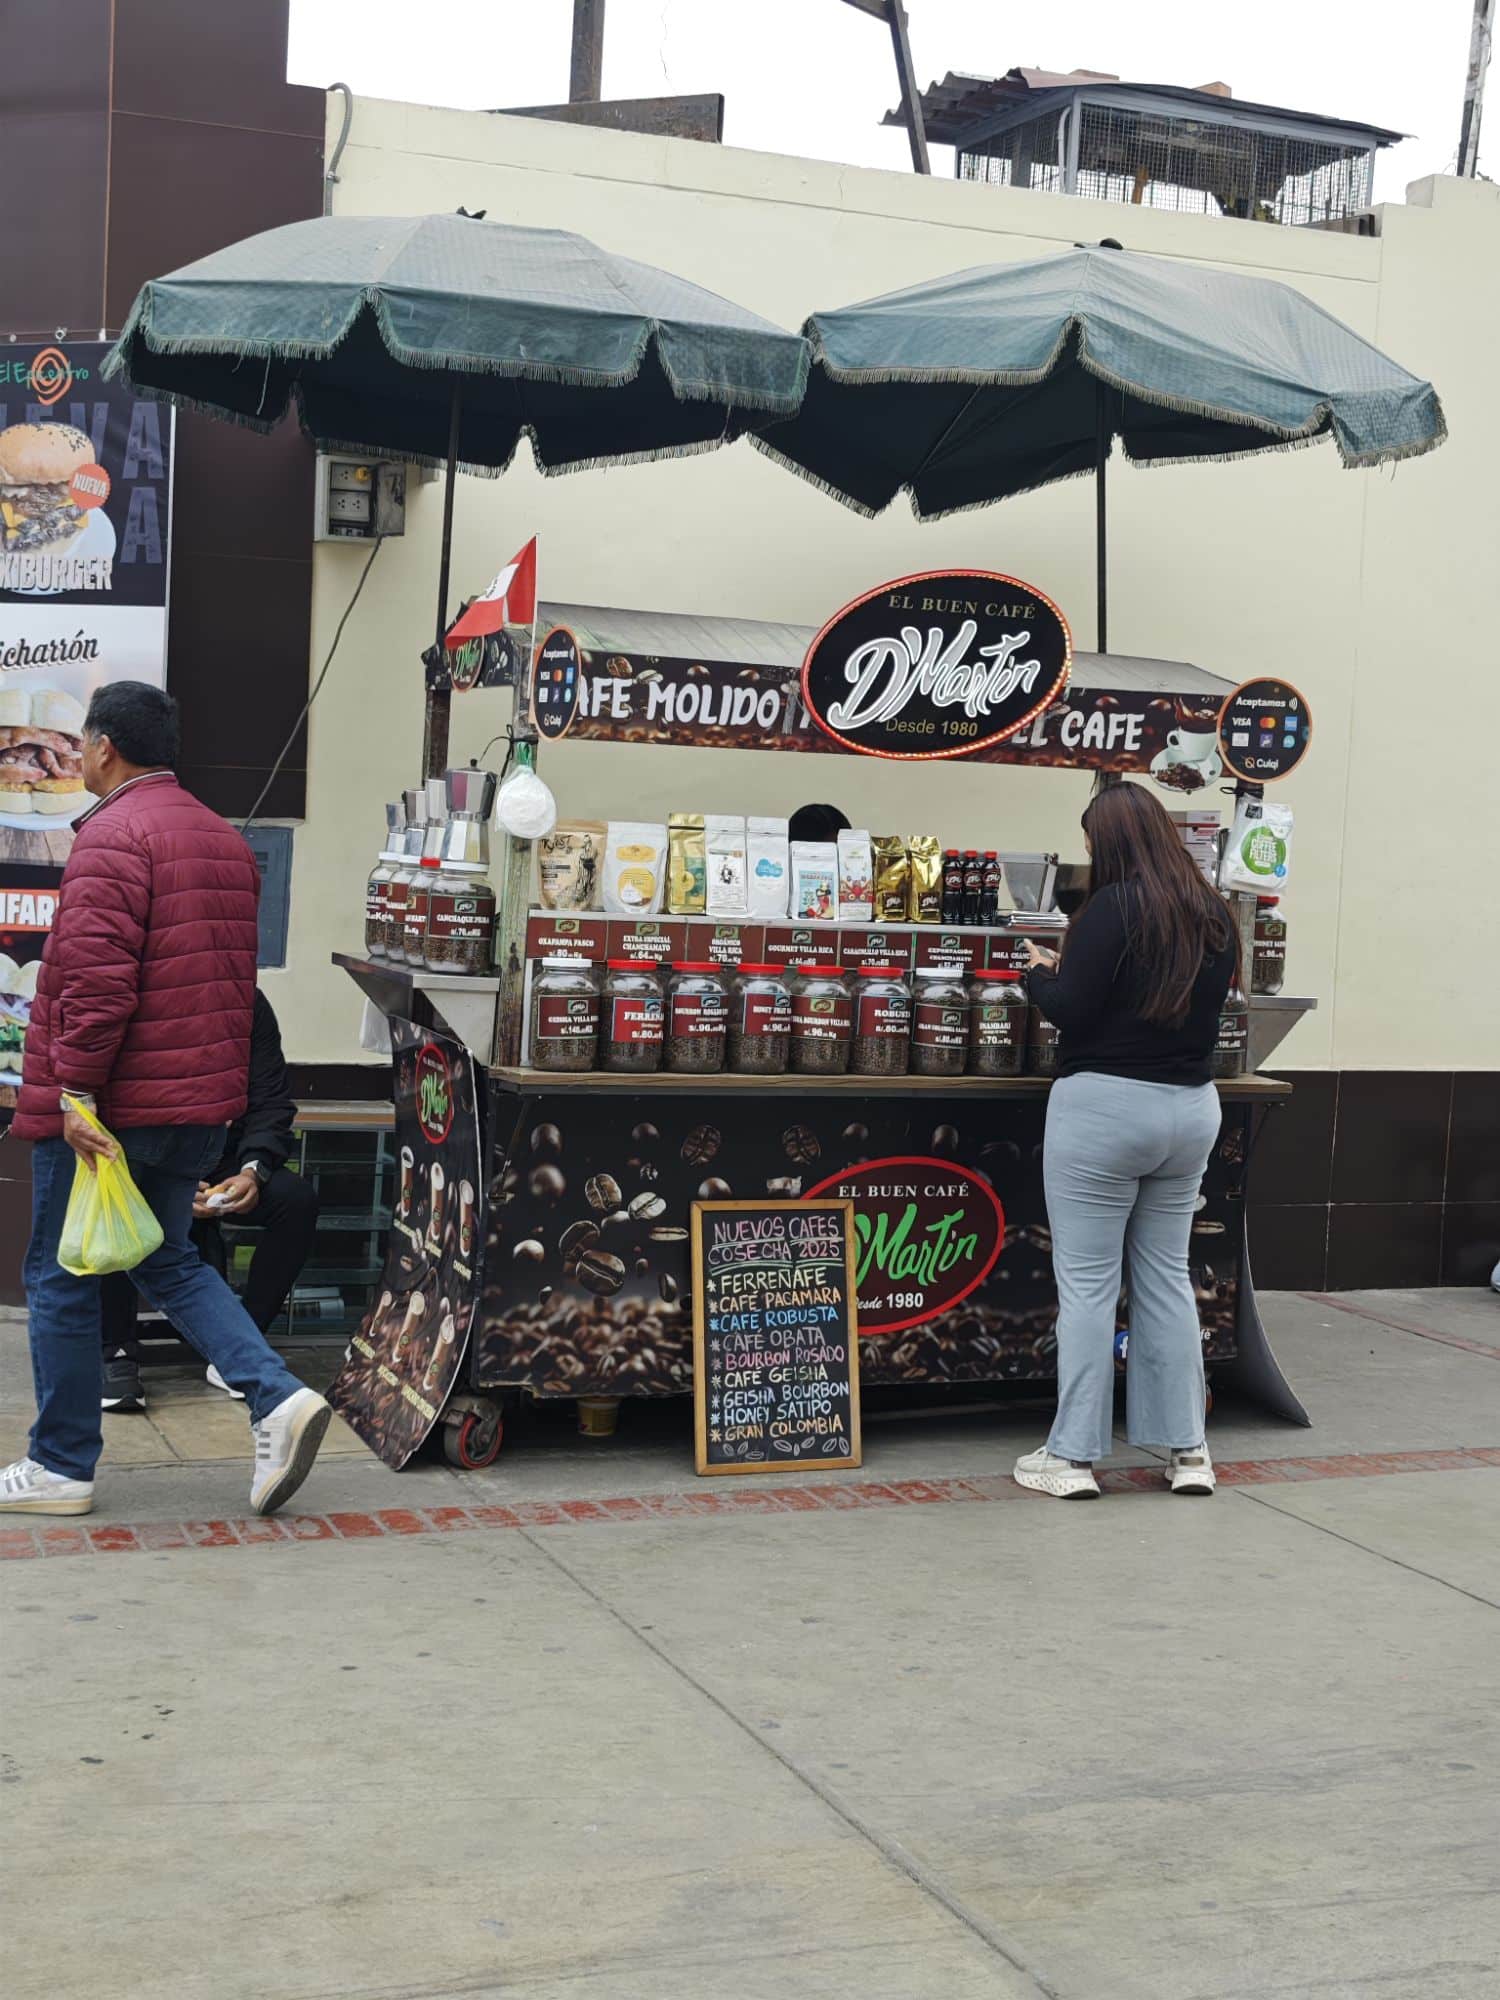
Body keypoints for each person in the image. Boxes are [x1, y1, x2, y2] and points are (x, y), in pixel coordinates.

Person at [0, 682, 330, 1519]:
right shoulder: (220, 840)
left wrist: (73, 1092)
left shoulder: (114, 835)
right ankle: (276, 1397)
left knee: (62, 1273)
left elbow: (99, 986)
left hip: (116, 1103)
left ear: (105, 748)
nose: (77, 757)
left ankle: (59, 1465)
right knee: (164, 1256)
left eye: (81, 744)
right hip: (194, 1104)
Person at [1013, 781, 1236, 1502]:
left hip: (1106, 1109)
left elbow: (1075, 1012)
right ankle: (1190, 1454)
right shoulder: (1214, 915)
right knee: (1167, 1280)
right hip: (1192, 1109)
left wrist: (1035, 975)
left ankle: (1072, 1459)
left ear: (1106, 843)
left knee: (1088, 1287)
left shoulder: (1111, 907)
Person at [100, 989, 318, 1413]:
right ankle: (115, 1352)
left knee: (296, 1201)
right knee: (113, 1206)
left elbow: (271, 1100)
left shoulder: (247, 1004)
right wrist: (182, 1184)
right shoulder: (140, 994)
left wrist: (253, 1170)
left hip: (225, 1157)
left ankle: (242, 1345)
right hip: (144, 1153)